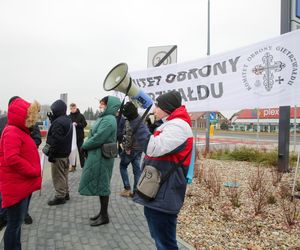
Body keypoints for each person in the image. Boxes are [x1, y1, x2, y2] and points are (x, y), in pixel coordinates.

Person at [133, 90, 193, 250]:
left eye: (157, 106)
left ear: (167, 108)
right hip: (158, 191)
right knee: (160, 238)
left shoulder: (179, 126)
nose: (154, 110)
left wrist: (135, 121)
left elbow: (153, 147)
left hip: (165, 193)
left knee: (166, 243)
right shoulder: (170, 124)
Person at [0, 97, 42, 250]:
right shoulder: (12, 131)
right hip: (15, 186)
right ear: (21, 115)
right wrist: (32, 170)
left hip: (19, 185)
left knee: (16, 224)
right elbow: (12, 158)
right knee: (14, 224)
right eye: (29, 116)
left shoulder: (18, 130)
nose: (31, 120)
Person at [78, 96, 121, 226]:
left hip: (102, 157)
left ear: (109, 106)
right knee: (100, 184)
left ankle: (104, 216)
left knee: (103, 185)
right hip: (99, 156)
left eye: (102, 104)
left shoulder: (109, 120)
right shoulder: (105, 118)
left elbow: (98, 138)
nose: (100, 106)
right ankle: (102, 213)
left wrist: (84, 145)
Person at [44, 99, 73, 206]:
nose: (52, 112)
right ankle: (66, 193)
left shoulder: (58, 122)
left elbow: (56, 140)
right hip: (65, 153)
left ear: (57, 110)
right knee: (64, 175)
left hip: (58, 155)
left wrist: (51, 154)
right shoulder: (67, 119)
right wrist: (53, 120)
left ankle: (60, 196)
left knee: (58, 176)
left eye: (53, 110)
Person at [119, 101, 150, 197]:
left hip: (131, 149)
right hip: (139, 148)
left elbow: (128, 135)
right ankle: (136, 192)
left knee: (122, 166)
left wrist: (127, 148)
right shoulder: (142, 118)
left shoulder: (130, 121)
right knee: (137, 170)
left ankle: (127, 188)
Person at [68, 103, 87, 172]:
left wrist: (78, 124)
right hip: (72, 138)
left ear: (76, 108)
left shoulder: (81, 116)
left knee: (81, 151)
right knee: (72, 152)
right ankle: (73, 166)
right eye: (71, 108)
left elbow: (85, 124)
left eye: (74, 108)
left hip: (80, 137)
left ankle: (83, 166)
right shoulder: (68, 116)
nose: (72, 109)